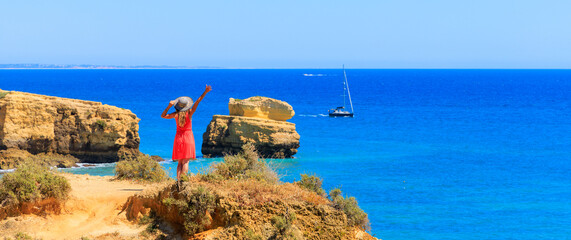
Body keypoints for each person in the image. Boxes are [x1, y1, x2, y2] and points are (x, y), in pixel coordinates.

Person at [161, 85, 212, 182]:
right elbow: (197, 101)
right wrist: (205, 92)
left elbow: (163, 116)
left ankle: (178, 181)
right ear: (187, 106)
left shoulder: (175, 114)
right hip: (188, 138)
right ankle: (183, 182)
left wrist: (169, 106)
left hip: (178, 138)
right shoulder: (190, 112)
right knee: (186, 162)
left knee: (180, 162)